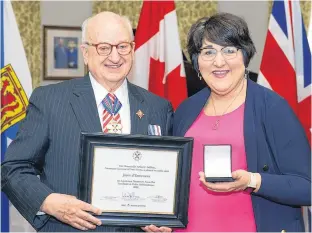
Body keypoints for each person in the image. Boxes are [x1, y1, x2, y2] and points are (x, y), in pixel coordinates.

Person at [1, 12, 173, 232]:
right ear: (85, 52)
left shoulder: (158, 107)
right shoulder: (50, 100)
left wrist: (162, 216)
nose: (115, 57)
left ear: (132, 48)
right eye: (103, 47)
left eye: (122, 46)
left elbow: (164, 178)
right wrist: (49, 202)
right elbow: (13, 169)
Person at [173, 13, 311, 232]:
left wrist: (253, 181)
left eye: (229, 50)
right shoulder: (185, 110)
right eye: (208, 52)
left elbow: (307, 187)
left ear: (245, 55)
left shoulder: (273, 108)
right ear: (197, 61)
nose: (219, 61)